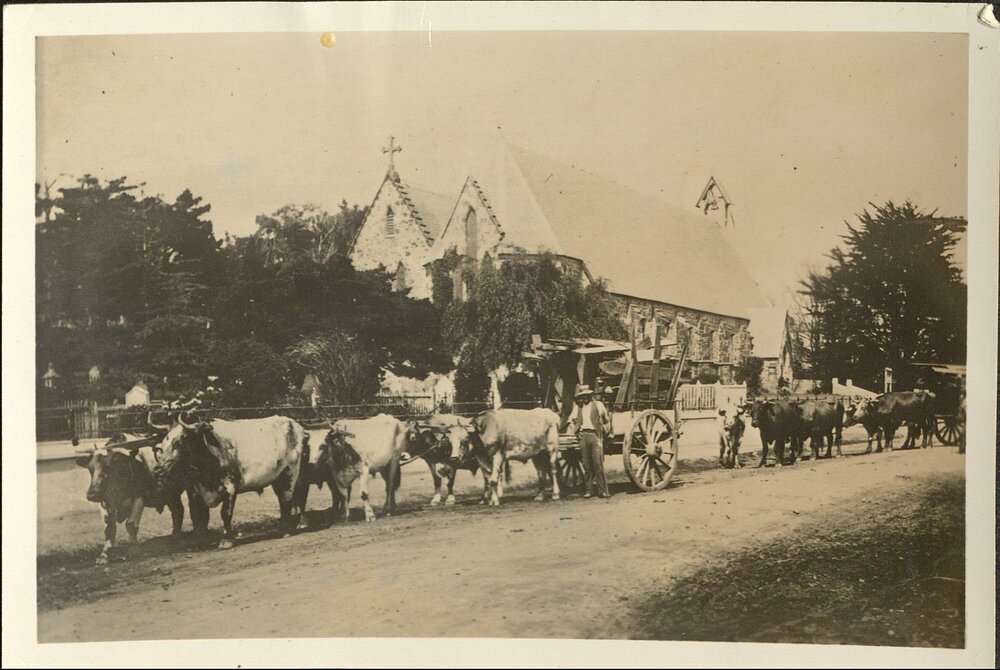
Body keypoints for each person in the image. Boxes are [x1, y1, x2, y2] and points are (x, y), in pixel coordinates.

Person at [572, 385, 612, 499]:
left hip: (595, 435)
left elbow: (606, 419)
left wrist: (604, 430)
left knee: (598, 464)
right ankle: (588, 490)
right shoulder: (578, 407)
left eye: (586, 395)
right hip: (583, 436)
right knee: (586, 465)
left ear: (590, 395)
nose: (584, 398)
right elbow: (571, 420)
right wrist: (576, 431)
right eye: (582, 396)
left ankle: (602, 491)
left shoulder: (598, 405)